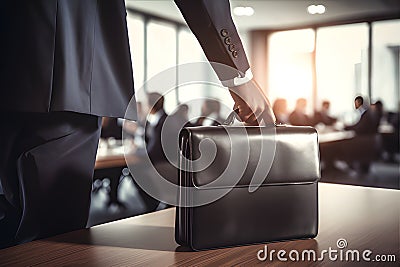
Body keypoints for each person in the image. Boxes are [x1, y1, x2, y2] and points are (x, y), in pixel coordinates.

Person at [0, 0, 275, 248]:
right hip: (63, 66)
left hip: (25, 59)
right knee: (49, 240)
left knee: (13, 223)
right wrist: (238, 76)